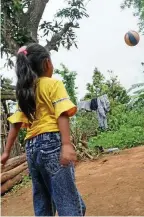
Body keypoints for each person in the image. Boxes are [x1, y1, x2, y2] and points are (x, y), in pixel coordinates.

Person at [0, 44, 86, 216]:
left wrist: (6, 152)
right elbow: (61, 112)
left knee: (42, 201)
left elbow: (15, 124)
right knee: (68, 202)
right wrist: (67, 144)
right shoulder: (53, 84)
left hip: (32, 150)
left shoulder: (25, 92)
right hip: (52, 145)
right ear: (47, 63)